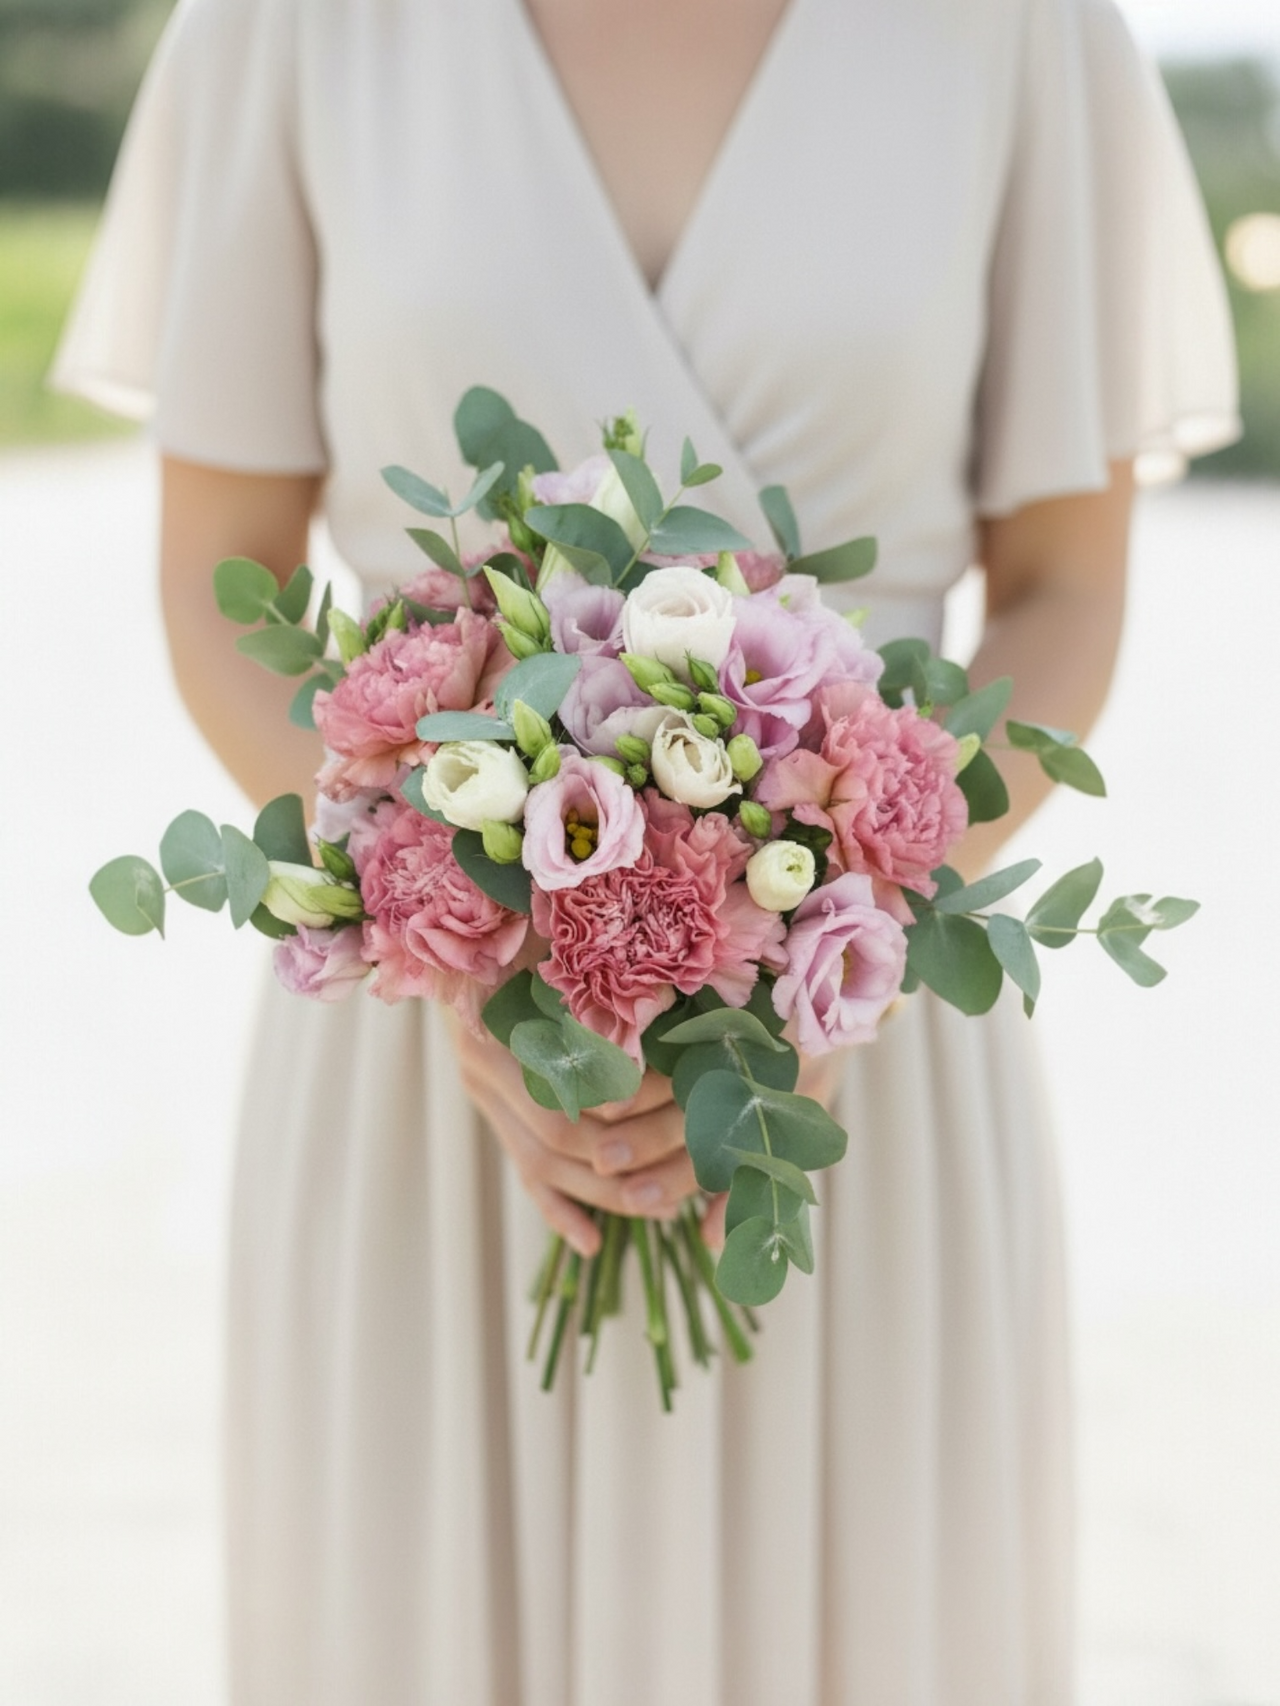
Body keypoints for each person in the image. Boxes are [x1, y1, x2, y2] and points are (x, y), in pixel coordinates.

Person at [54, 0, 1237, 1700]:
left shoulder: (1019, 30)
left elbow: (1064, 583)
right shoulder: (291, 24)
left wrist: (834, 926)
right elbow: (216, 572)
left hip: (858, 1068)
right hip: (430, 1083)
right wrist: (444, 924)